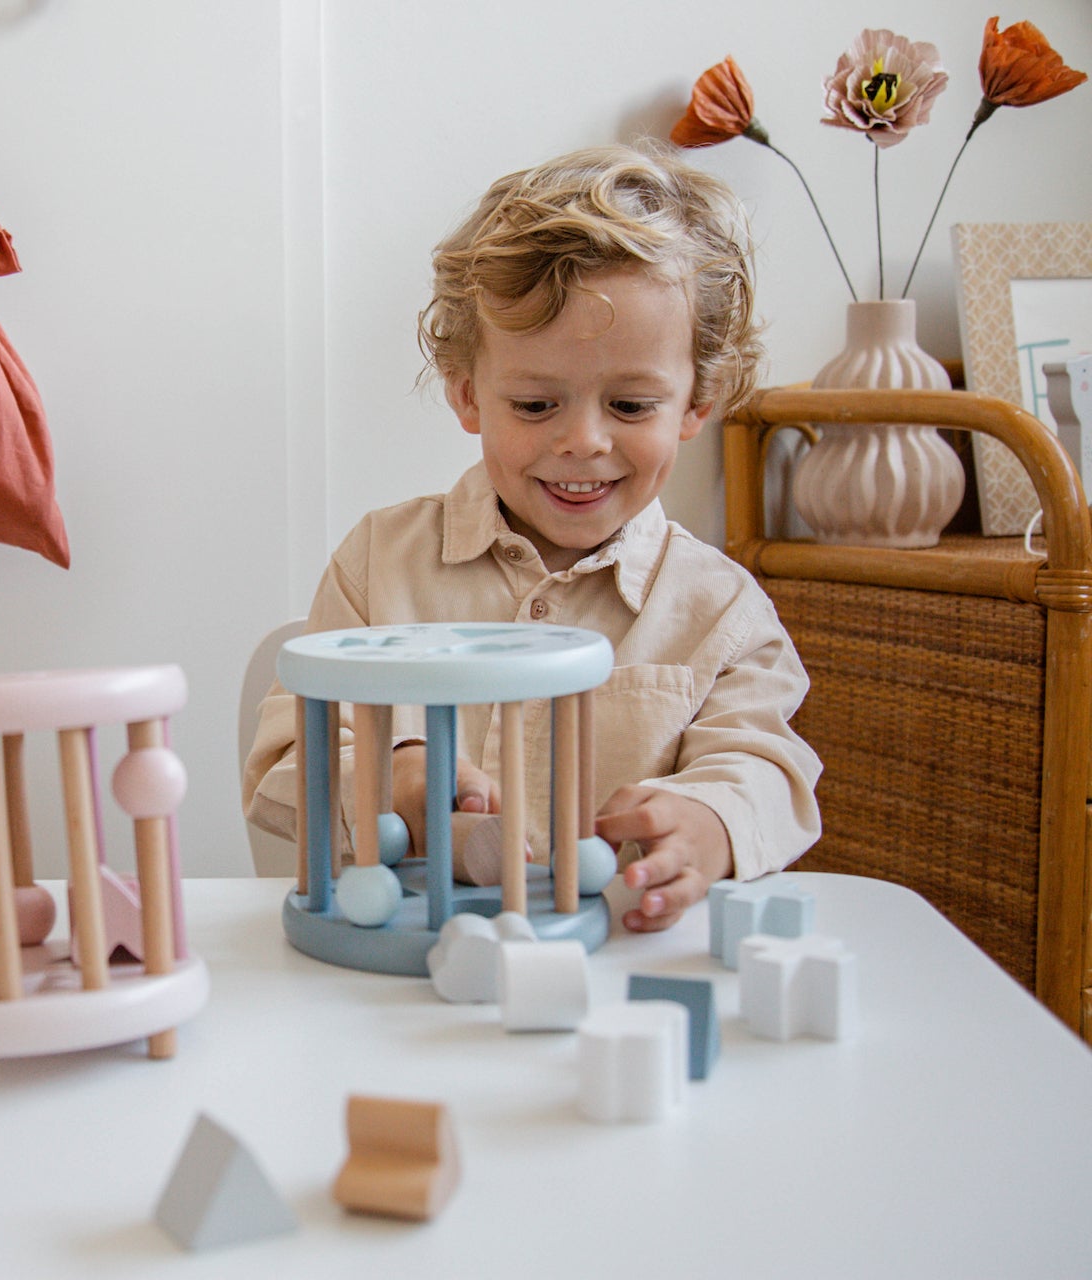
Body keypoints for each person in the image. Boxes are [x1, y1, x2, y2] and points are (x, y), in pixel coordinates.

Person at [243, 143, 821, 934]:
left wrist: (710, 823)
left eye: (630, 407)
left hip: (615, 971)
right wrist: (404, 781)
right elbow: (287, 761)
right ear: (468, 392)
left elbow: (764, 766)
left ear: (698, 402)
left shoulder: (721, 610)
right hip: (403, 973)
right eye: (537, 406)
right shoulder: (380, 563)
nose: (583, 441)